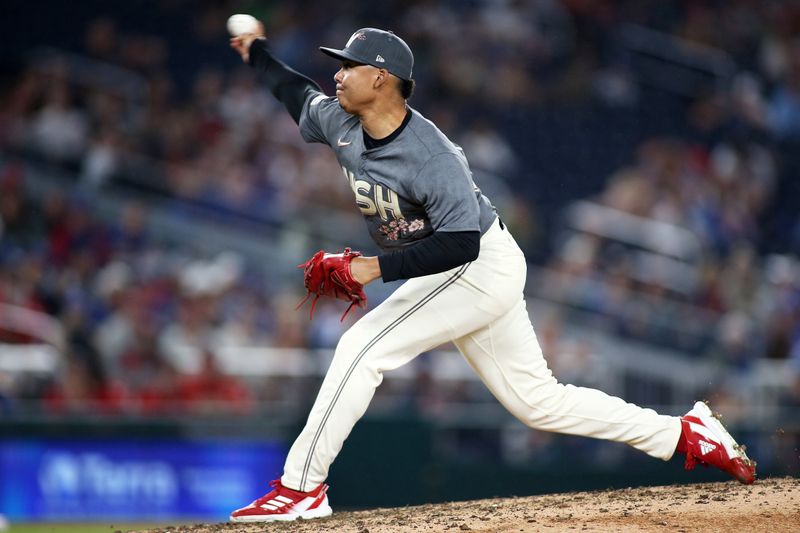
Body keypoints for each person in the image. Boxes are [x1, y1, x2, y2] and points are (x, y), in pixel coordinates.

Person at [227, 23, 756, 523]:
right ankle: (686, 435)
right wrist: (257, 51)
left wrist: (373, 269)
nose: (337, 74)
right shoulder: (341, 121)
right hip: (467, 267)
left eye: (348, 66)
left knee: (361, 348)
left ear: (382, 78)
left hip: (476, 263)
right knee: (538, 403)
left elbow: (457, 245)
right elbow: (293, 92)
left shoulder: (431, 155)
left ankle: (301, 490)